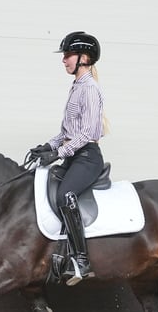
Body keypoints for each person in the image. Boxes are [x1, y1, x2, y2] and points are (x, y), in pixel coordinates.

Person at [30, 31, 106, 286]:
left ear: (83, 58)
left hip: (87, 157)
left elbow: (88, 133)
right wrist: (46, 146)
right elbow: (66, 133)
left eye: (67, 55)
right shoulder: (76, 87)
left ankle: (82, 261)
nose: (64, 60)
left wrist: (58, 153)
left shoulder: (91, 90)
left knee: (65, 195)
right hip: (74, 156)